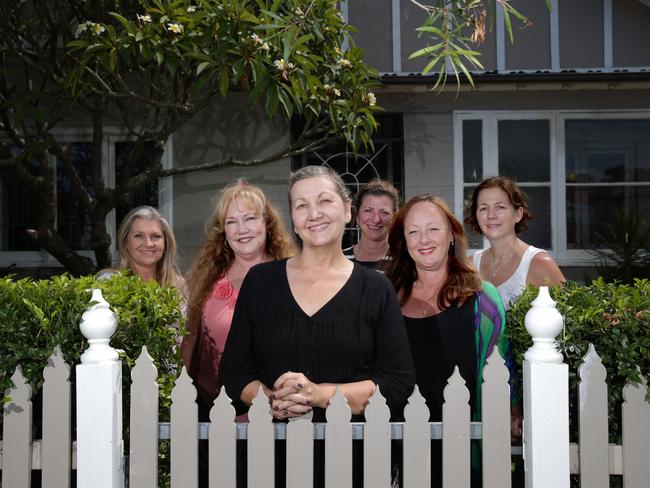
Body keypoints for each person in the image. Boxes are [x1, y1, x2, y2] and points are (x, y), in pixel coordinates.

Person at [220, 165, 415, 486]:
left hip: (356, 465)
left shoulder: (376, 289)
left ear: (348, 210)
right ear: (292, 218)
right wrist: (272, 399)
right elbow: (234, 373)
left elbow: (397, 384)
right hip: (270, 463)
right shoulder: (261, 282)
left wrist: (319, 395)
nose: (314, 214)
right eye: (301, 205)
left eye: (324, 201)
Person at [384, 194, 518, 487]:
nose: (423, 239)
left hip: (465, 450)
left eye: (433, 228)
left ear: (451, 235)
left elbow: (501, 370)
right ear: (403, 242)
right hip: (397, 450)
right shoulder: (386, 297)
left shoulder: (483, 299)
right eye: (413, 231)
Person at [180, 180, 295, 417]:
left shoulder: (293, 276)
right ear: (223, 232)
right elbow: (190, 344)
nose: (241, 229)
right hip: (214, 414)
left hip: (280, 415)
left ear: (267, 224)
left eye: (250, 219)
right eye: (232, 222)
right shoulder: (206, 281)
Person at [465, 176, 565, 310]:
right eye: (483, 208)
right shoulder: (470, 266)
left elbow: (569, 322)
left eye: (500, 207)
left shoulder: (539, 263)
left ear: (518, 214)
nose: (491, 215)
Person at [98, 205, 184, 289]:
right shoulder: (107, 282)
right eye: (139, 236)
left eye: (156, 236)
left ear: (166, 243)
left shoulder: (179, 286)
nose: (148, 244)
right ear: (125, 242)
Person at [344, 178, 400, 269]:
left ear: (394, 218)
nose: (376, 219)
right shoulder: (340, 260)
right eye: (368, 211)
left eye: (384, 212)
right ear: (357, 216)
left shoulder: (403, 262)